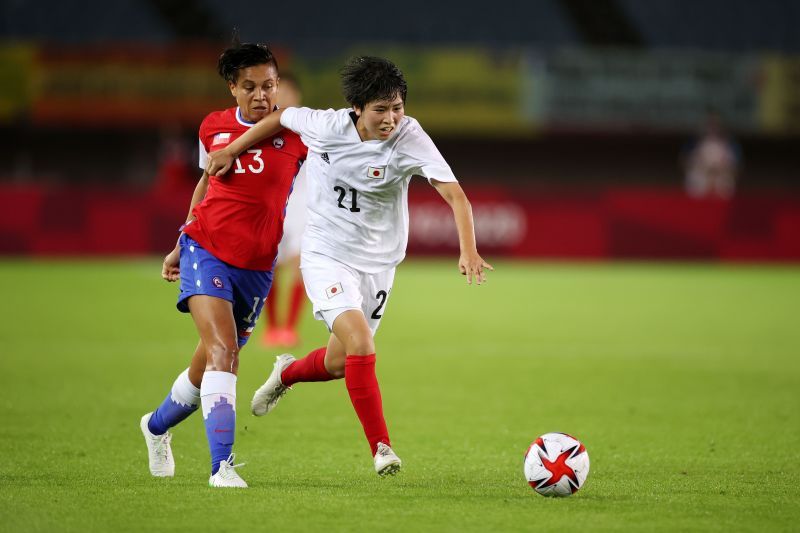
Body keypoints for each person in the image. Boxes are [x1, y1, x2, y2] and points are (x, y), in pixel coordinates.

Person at [206, 56, 493, 476]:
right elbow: (282, 117)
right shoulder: (326, 125)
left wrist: (468, 249)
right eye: (381, 109)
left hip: (379, 263)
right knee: (361, 342)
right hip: (326, 254)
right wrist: (232, 148)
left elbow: (456, 196)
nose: (392, 118)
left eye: (397, 107)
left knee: (342, 362)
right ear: (357, 108)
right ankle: (382, 449)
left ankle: (287, 374)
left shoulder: (410, 136)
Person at [139, 42, 307, 488]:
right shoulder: (212, 126)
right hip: (206, 246)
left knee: (202, 373)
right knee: (223, 354)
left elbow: (292, 121)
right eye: (249, 86)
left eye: (269, 86)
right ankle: (221, 468)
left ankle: (155, 427)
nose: (261, 95)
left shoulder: (297, 134)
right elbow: (206, 184)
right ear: (232, 88)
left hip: (257, 267)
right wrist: (181, 239)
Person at [261, 74, 309, 347]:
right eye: (279, 92)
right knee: (272, 267)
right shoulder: (263, 129)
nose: (283, 98)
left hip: (304, 207)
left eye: (289, 92)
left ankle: (289, 328)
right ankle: (271, 328)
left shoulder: (310, 130)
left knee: (301, 266)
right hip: (275, 207)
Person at [682, 110, 741, 199]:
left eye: (715, 124)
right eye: (710, 124)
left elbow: (737, 166)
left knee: (725, 183)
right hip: (701, 173)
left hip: (721, 174)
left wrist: (719, 171)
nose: (713, 127)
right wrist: (703, 169)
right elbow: (684, 161)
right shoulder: (694, 142)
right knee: (695, 181)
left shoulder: (730, 143)